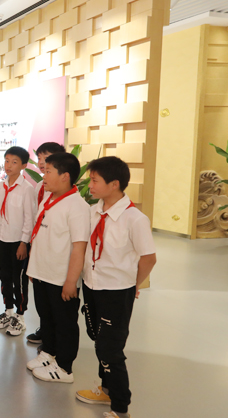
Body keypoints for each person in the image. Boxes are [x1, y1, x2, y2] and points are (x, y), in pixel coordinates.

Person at [75, 157, 157, 418]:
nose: (90, 185)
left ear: (114, 184)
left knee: (110, 348)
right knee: (98, 340)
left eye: (95, 180)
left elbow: (149, 258)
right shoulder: (93, 212)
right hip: (92, 285)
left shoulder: (135, 219)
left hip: (117, 291)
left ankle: (121, 408)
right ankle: (107, 389)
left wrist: (132, 285)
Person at [26, 152, 90, 383]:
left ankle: (64, 367)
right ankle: (49, 353)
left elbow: (79, 248)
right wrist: (34, 268)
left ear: (65, 176)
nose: (43, 175)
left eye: (48, 171)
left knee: (64, 323)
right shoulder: (48, 198)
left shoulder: (78, 206)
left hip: (61, 277)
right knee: (46, 316)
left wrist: (71, 281)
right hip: (42, 272)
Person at [0, 146, 35, 336]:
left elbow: (29, 218)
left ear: (24, 165)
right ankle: (8, 310)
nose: (8, 165)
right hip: (1, 238)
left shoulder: (27, 189)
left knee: (19, 280)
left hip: (18, 242)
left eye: (14, 162)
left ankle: (20, 315)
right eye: (7, 160)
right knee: (4, 276)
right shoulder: (1, 185)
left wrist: (24, 242)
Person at [26, 142, 66, 345]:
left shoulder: (65, 191)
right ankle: (45, 331)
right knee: (42, 298)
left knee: (56, 303)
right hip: (40, 246)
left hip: (56, 254)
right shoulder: (40, 186)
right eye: (39, 158)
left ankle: (55, 342)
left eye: (46, 158)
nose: (41, 162)